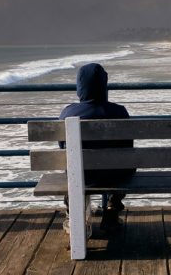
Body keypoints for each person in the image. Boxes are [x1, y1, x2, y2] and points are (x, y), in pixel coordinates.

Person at [59, 63, 135, 233]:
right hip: (116, 176)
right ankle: (112, 209)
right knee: (127, 163)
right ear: (104, 86)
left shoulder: (67, 113)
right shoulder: (120, 112)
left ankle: (74, 214)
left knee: (71, 170)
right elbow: (128, 148)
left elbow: (61, 147)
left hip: (79, 175)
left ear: (80, 87)